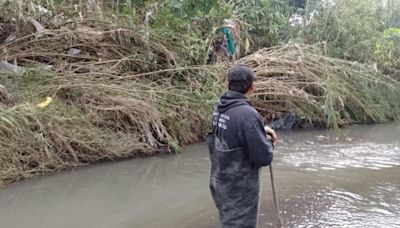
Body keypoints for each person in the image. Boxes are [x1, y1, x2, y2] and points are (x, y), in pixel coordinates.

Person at [207, 64, 276, 228]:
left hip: (220, 183)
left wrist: (259, 131)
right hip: (240, 192)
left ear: (228, 85)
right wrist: (269, 142)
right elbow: (263, 157)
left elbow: (232, 133)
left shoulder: (220, 107)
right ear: (252, 87)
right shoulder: (248, 115)